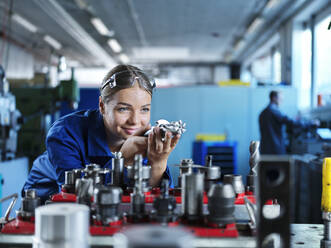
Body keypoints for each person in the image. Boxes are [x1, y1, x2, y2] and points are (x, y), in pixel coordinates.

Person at [23, 64, 180, 202]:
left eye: (144, 109)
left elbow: (151, 194)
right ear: (102, 106)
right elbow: (76, 195)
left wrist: (158, 163)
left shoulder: (144, 137)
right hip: (44, 200)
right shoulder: (64, 134)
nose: (135, 121)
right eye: (123, 109)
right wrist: (121, 161)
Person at [259, 90, 319, 155]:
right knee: (276, 164)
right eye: (280, 98)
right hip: (275, 149)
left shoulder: (262, 113)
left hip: (265, 148)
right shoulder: (274, 111)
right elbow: (291, 122)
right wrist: (311, 123)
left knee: (266, 164)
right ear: (274, 98)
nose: (282, 101)